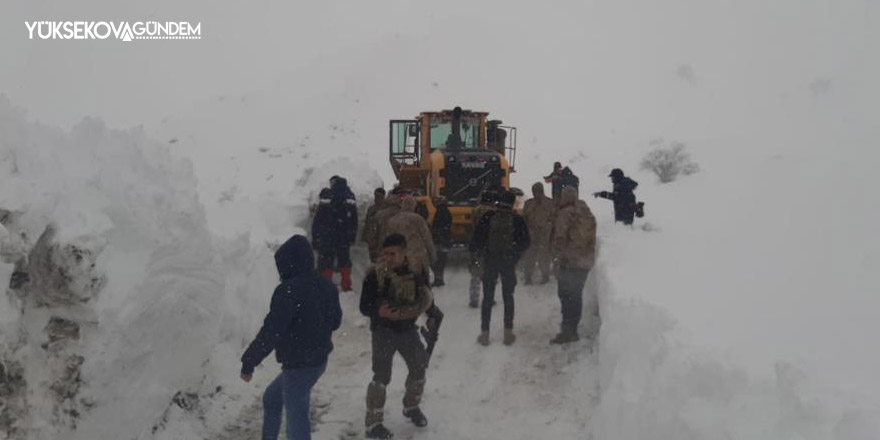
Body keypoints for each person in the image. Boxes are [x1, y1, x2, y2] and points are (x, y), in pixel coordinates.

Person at [240, 235, 342, 440]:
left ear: (288, 263)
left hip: (298, 364)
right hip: (317, 361)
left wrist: (249, 360)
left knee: (297, 418)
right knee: (272, 399)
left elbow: (272, 331)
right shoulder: (326, 285)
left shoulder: (288, 290)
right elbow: (336, 321)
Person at [360, 234, 443, 439]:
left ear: (403, 253)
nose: (389, 257)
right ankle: (373, 423)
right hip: (383, 332)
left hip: (407, 330)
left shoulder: (415, 273)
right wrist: (378, 311)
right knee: (381, 377)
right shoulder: (375, 275)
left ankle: (411, 406)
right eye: (386, 253)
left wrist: (432, 315)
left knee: (419, 367)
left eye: (393, 253)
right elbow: (364, 306)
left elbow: (425, 297)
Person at [469, 190, 530, 346]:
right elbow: (525, 243)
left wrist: (480, 255)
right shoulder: (517, 220)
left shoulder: (488, 217)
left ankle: (484, 333)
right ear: (513, 203)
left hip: (490, 261)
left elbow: (476, 240)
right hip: (508, 263)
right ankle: (508, 333)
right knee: (508, 297)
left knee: (488, 297)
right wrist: (514, 256)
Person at [550, 187, 597, 344]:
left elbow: (559, 238)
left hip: (568, 262)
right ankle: (573, 330)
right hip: (584, 262)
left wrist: (557, 259)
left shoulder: (565, 213)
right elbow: (592, 238)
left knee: (565, 295)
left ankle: (567, 331)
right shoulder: (588, 214)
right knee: (576, 295)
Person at [311, 177, 358, 291]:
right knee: (344, 260)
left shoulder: (326, 197)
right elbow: (354, 221)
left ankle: (326, 286)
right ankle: (346, 285)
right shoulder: (350, 198)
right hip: (344, 236)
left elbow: (318, 220)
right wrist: (352, 236)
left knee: (326, 260)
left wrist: (316, 238)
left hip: (327, 236)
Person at [383, 197, 436, 279]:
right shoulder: (418, 219)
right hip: (418, 259)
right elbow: (427, 239)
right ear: (414, 206)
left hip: (399, 258)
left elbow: (386, 240)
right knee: (420, 286)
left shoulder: (393, 220)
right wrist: (432, 257)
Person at [468, 189, 498, 308]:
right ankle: (489, 298)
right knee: (490, 273)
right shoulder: (494, 212)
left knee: (476, 272)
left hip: (477, 243)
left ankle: (474, 299)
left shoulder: (476, 210)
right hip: (490, 245)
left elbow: (472, 225)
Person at [521, 182, 556, 285]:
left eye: (537, 191)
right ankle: (528, 277)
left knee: (544, 255)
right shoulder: (529, 203)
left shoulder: (550, 203)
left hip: (545, 233)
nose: (536, 193)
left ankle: (545, 276)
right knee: (531, 255)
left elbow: (554, 218)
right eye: (534, 191)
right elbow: (525, 218)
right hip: (532, 233)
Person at [431, 196, 453, 287]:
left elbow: (436, 226)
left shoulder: (440, 212)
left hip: (439, 239)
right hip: (445, 239)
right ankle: (439, 279)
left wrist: (435, 236)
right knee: (442, 260)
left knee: (436, 260)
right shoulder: (447, 211)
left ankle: (438, 279)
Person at [362, 187, 387, 263]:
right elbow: (367, 224)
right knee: (374, 261)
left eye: (379, 196)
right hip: (372, 240)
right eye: (376, 195)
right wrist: (365, 237)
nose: (377, 197)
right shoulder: (371, 209)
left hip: (382, 240)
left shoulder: (386, 209)